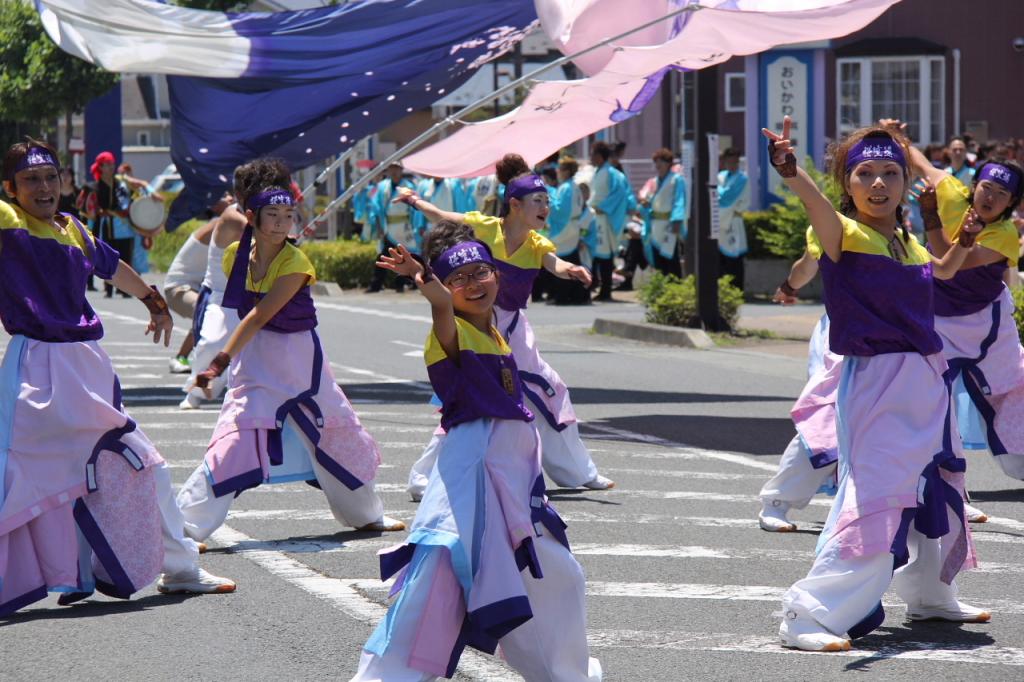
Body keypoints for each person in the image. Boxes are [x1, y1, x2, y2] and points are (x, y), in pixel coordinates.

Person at [762, 118, 987, 652]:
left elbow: (944, 272)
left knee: (939, 483)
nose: (880, 183)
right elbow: (815, 206)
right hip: (878, 382)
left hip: (926, 381)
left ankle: (931, 593)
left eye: (892, 172)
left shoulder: (905, 241)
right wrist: (793, 174)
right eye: (866, 173)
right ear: (849, 183)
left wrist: (964, 237)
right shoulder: (843, 232)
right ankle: (809, 613)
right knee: (875, 497)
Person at [353, 224, 601, 682]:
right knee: (436, 587)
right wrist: (423, 279)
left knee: (556, 577)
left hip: (511, 484)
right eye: (459, 279)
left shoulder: (496, 333)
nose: (473, 283)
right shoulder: (454, 334)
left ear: (496, 275)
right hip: (473, 480)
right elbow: (442, 307)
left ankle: (563, 674)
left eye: (480, 272)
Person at [0, 139, 234, 616]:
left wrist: (152, 299)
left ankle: (176, 569)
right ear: (10, 190)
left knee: (139, 465)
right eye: (30, 180)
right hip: (36, 369)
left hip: (84, 367)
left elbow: (112, 267)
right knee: (15, 477)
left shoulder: (73, 229)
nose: (44, 187)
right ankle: (176, 568)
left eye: (51, 177)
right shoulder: (9, 224)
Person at [176, 180, 405, 543]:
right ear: (252, 217)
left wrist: (217, 363)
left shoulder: (297, 261)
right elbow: (239, 311)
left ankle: (367, 514)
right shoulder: (234, 253)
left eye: (289, 215)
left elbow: (259, 315)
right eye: (273, 215)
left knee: (336, 435)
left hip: (301, 362)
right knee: (233, 440)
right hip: (255, 361)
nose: (283, 223)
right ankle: (186, 527)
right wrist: (221, 358)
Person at [400, 161, 615, 497]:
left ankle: (578, 471)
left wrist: (571, 269)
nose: (546, 207)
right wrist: (415, 201)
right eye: (538, 201)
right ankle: (423, 477)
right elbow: (443, 218)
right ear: (515, 205)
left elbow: (554, 264)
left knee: (550, 391)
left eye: (547, 201)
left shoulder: (537, 244)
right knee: (470, 399)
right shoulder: (486, 229)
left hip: (513, 328)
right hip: (477, 325)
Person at [899, 120, 1024, 492]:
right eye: (986, 186)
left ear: (1012, 204)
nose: (990, 196)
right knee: (929, 398)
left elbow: (945, 265)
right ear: (974, 185)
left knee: (1014, 389)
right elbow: (918, 161)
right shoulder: (950, 191)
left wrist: (931, 218)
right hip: (939, 320)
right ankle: (942, 481)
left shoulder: (1003, 234)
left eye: (1001, 193)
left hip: (989, 323)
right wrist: (895, 135)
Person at [757, 242, 840, 532]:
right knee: (828, 422)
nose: (878, 192)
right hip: (843, 337)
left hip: (896, 341)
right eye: (868, 190)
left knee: (902, 422)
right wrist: (790, 287)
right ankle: (778, 500)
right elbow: (807, 264)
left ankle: (942, 500)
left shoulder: (903, 236)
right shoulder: (834, 225)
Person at [163, 197, 228, 375]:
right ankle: (180, 357)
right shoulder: (218, 224)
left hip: (200, 288)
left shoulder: (228, 223)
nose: (229, 199)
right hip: (178, 288)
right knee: (207, 311)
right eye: (226, 197)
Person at [366, 162, 417, 293]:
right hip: (387, 226)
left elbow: (415, 209)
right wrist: (378, 227)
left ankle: (402, 284)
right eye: (392, 169)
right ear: (388, 171)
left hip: (405, 227)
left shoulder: (409, 186)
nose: (394, 172)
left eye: (397, 169)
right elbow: (375, 207)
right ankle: (376, 284)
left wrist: (415, 226)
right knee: (382, 256)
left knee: (405, 256)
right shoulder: (382, 186)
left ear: (401, 170)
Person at [546, 156, 591, 305]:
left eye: (560, 168)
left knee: (564, 263)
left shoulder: (566, 187)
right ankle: (580, 295)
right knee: (573, 261)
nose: (557, 171)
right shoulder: (572, 186)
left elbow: (560, 212)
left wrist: (549, 199)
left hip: (565, 228)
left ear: (566, 171)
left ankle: (564, 296)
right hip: (572, 227)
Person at [587, 141, 629, 301]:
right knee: (597, 255)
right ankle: (598, 286)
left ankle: (605, 290)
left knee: (604, 256)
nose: (591, 157)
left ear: (599, 156)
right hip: (596, 218)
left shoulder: (611, 172)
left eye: (592, 154)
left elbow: (619, 193)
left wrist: (603, 207)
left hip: (604, 218)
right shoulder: (599, 171)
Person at [639, 148, 686, 278]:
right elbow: (644, 196)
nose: (658, 165)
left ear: (669, 164)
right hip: (655, 224)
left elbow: (679, 200)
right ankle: (661, 289)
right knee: (657, 257)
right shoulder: (653, 181)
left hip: (669, 224)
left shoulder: (677, 180)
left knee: (671, 257)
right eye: (656, 162)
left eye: (661, 162)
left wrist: (677, 219)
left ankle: (674, 289)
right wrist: (643, 202)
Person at [717, 148, 750, 290]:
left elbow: (724, 199)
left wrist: (722, 204)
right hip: (719, 222)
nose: (732, 164)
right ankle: (723, 291)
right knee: (720, 259)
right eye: (729, 161)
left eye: (735, 161)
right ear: (724, 162)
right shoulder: (720, 177)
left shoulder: (742, 178)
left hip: (733, 222)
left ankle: (736, 290)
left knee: (735, 258)